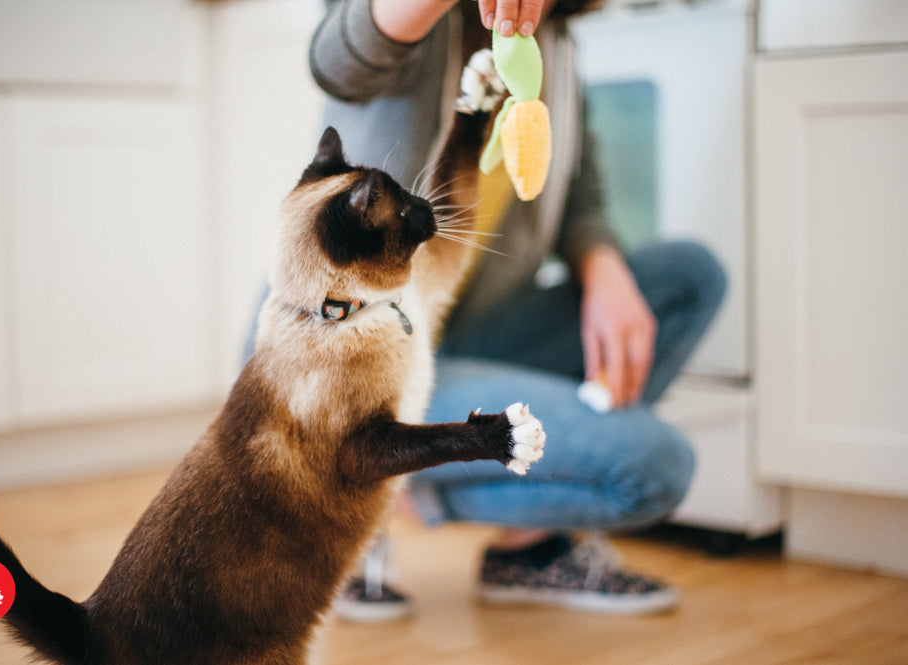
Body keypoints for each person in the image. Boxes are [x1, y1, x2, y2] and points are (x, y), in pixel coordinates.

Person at [307, 0, 727, 619]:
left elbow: (579, 187)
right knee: (653, 467)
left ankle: (523, 547)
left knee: (688, 278)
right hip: (367, 359)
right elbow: (337, 60)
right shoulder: (422, 25)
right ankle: (365, 487)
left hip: (477, 334)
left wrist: (601, 264)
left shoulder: (551, 40)